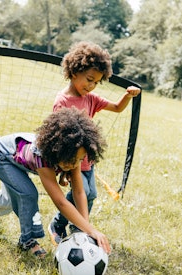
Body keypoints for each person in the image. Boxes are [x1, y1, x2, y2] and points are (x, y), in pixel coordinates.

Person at [0, 107, 111, 258]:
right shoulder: (43, 158)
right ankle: (27, 241)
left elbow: (79, 191)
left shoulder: (73, 155)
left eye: (79, 159)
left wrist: (85, 227)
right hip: (1, 156)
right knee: (27, 195)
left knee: (9, 201)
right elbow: (60, 202)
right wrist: (91, 230)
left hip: (16, 159)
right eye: (71, 160)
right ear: (58, 150)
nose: (74, 165)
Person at [48, 41, 141, 245]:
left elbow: (116, 107)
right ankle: (71, 226)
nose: (91, 86)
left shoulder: (90, 98)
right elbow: (58, 139)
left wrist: (127, 95)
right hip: (72, 162)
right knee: (86, 193)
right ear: (74, 72)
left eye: (96, 82)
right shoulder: (62, 101)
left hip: (87, 161)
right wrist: (63, 170)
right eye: (89, 79)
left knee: (90, 194)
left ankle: (71, 224)